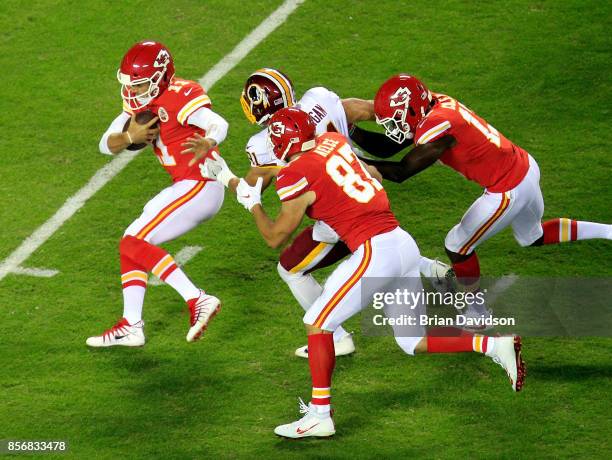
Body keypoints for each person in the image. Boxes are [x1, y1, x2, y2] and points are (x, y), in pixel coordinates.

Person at [223, 107, 524, 438]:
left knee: (318, 322)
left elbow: (275, 237)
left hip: (374, 252)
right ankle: (493, 346)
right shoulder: (333, 141)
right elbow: (372, 175)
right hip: (401, 243)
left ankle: (320, 416)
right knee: (411, 341)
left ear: (282, 141)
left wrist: (253, 203)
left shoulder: (295, 175)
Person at [199, 68, 452, 358]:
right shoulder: (319, 99)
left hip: (335, 215)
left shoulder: (265, 143)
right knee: (378, 247)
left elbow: (253, 189)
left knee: (291, 269)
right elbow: (365, 110)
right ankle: (425, 267)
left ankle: (337, 337)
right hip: (364, 193)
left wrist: (224, 177)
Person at [366, 74, 612, 318]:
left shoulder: (435, 127)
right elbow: (389, 148)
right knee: (531, 236)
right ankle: (609, 231)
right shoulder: (438, 104)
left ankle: (477, 312)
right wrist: (349, 133)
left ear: (411, 110)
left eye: (396, 119)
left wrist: (353, 162)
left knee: (457, 245)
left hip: (508, 189)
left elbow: (402, 172)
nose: (394, 127)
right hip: (525, 167)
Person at [86, 40, 228, 347]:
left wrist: (211, 141)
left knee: (134, 241)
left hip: (201, 183)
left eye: (139, 84)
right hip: (187, 185)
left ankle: (197, 298)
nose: (132, 91)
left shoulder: (181, 94)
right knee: (132, 243)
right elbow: (104, 144)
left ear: (161, 77)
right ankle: (131, 325)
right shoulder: (140, 104)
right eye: (130, 84)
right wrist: (128, 136)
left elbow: (218, 122)